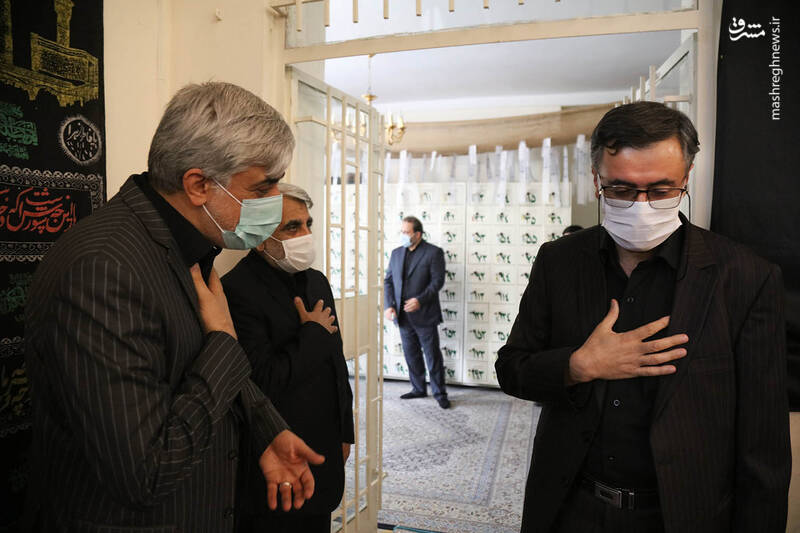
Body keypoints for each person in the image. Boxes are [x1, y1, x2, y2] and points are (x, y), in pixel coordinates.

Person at [24, 82, 325, 532]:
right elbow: (144, 473)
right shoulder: (103, 270)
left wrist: (265, 428)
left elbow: (184, 362)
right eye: (264, 187)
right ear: (199, 185)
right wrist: (224, 341)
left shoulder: (183, 243)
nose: (276, 200)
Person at [496, 101, 790, 533]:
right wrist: (578, 366)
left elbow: (763, 446)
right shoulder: (559, 261)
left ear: (686, 178)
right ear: (596, 179)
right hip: (569, 506)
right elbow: (511, 369)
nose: (641, 205)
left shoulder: (745, 277)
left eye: (661, 190)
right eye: (621, 189)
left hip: (681, 515)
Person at [222, 183, 354, 532]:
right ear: (260, 238)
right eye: (292, 227)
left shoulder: (317, 281)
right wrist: (313, 335)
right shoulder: (236, 290)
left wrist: (346, 431)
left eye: (308, 224)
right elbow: (260, 381)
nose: (305, 235)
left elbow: (336, 365)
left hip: (325, 446)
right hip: (277, 459)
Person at [384, 216, 450, 409]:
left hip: (425, 315)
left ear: (418, 234)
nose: (403, 235)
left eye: (406, 232)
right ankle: (418, 388)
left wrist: (420, 300)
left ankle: (440, 393)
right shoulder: (396, 253)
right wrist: (389, 305)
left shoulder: (433, 253)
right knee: (411, 355)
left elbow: (437, 282)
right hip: (402, 316)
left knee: (432, 356)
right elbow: (388, 281)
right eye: (402, 231)